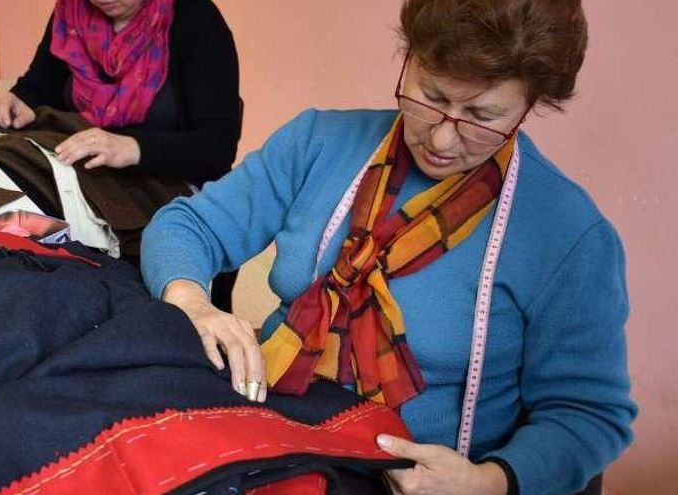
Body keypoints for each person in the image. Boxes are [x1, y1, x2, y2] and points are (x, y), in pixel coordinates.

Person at [140, 1, 636, 494]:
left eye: (482, 116)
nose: (442, 137)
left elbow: (588, 414)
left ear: (529, 105)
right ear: (409, 57)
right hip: (279, 428)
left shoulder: (567, 234)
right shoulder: (317, 142)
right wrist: (193, 301)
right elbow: (187, 225)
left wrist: (489, 481)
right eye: (430, 96)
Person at [0, 0, 241, 309]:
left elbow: (217, 147)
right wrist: (19, 100)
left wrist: (131, 148)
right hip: (92, 176)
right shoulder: (72, 13)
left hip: (174, 185)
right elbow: (39, 87)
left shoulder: (194, 19)